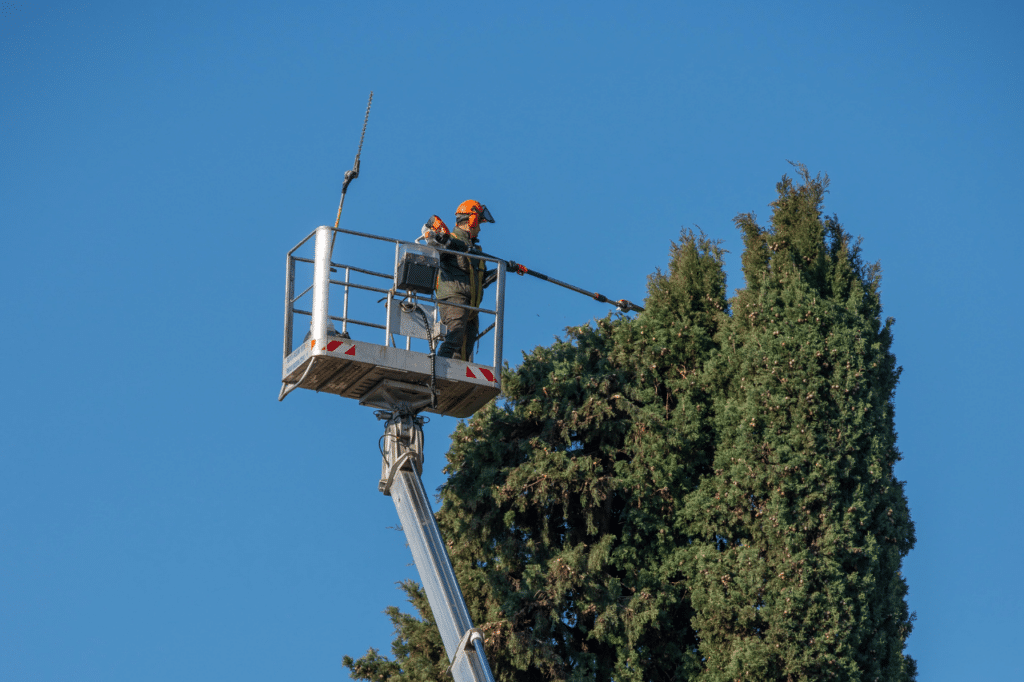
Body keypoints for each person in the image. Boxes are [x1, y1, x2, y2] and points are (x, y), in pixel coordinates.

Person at [422, 200, 496, 361]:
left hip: (472, 306)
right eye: (479, 223)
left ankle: (452, 374)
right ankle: (439, 367)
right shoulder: (449, 240)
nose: (480, 228)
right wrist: (440, 240)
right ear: (472, 220)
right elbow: (436, 252)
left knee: (466, 349)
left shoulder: (475, 250)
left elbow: (481, 280)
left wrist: (502, 269)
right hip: (454, 299)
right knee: (454, 337)